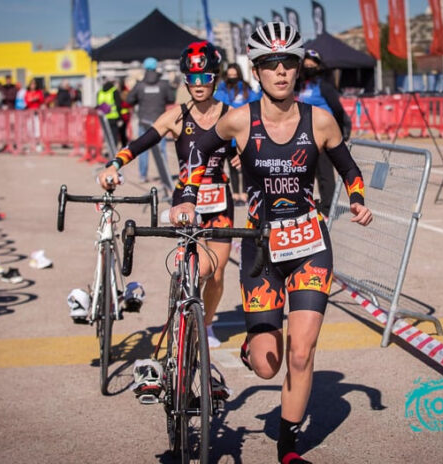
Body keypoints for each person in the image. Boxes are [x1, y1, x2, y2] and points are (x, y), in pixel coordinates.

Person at [168, 22, 372, 464]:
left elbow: (349, 168)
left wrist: (357, 199)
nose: (280, 71)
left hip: (309, 246)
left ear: (299, 69)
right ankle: (251, 343)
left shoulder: (319, 120)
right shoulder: (240, 120)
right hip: (261, 251)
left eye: (288, 63)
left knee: (302, 351)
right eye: (269, 64)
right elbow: (199, 153)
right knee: (268, 364)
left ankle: (288, 446)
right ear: (256, 70)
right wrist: (185, 197)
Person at [99, 41, 234, 352]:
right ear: (185, 80)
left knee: (217, 272)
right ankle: (183, 305)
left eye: (205, 78)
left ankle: (207, 322)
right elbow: (142, 141)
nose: (198, 85)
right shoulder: (177, 116)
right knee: (199, 268)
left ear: (215, 78)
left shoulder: (230, 115)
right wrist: (115, 163)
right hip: (186, 198)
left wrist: (242, 158)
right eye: (192, 79)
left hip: (219, 197)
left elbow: (251, 148)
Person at [297, 49, 352, 216]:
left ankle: (329, 208)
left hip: (323, 134)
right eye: (306, 63)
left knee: (325, 172)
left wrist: (342, 129)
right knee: (305, 172)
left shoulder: (324, 85)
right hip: (304, 135)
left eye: (312, 63)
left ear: (319, 65)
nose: (309, 66)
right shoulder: (299, 85)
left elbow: (337, 108)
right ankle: (311, 204)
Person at [214, 63, 261, 206]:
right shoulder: (222, 91)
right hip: (229, 137)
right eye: (230, 75)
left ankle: (246, 194)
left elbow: (256, 102)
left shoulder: (247, 90)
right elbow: (216, 106)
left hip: (245, 135)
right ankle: (235, 195)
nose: (232, 78)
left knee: (246, 166)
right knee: (232, 167)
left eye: (235, 75)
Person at [126, 57, 176, 183]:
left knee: (142, 149)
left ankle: (143, 175)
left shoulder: (140, 84)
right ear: (156, 67)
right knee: (162, 150)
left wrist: (140, 99)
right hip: (160, 121)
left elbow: (129, 100)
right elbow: (171, 99)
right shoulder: (163, 84)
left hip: (144, 121)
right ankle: (164, 176)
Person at [96, 79, 124, 150]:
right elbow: (118, 105)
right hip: (113, 117)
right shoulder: (114, 91)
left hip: (103, 117)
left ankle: (109, 150)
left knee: (107, 135)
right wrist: (120, 118)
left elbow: (98, 105)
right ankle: (113, 150)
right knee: (114, 135)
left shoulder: (100, 92)